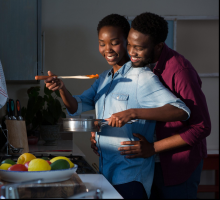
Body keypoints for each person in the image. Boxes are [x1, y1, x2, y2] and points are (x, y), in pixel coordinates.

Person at [45, 14, 190, 199]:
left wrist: (133, 113)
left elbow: (181, 110)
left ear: (127, 43)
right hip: (107, 172)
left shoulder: (142, 76)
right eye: (102, 43)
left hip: (131, 175)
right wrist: (62, 88)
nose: (108, 49)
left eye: (114, 42)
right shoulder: (104, 78)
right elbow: (76, 107)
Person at [90, 12, 211, 199]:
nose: (131, 52)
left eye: (138, 48)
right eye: (129, 44)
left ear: (158, 46)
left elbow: (202, 127)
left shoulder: (180, 71)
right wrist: (102, 135)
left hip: (176, 164)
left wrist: (153, 147)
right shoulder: (139, 66)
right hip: (148, 163)